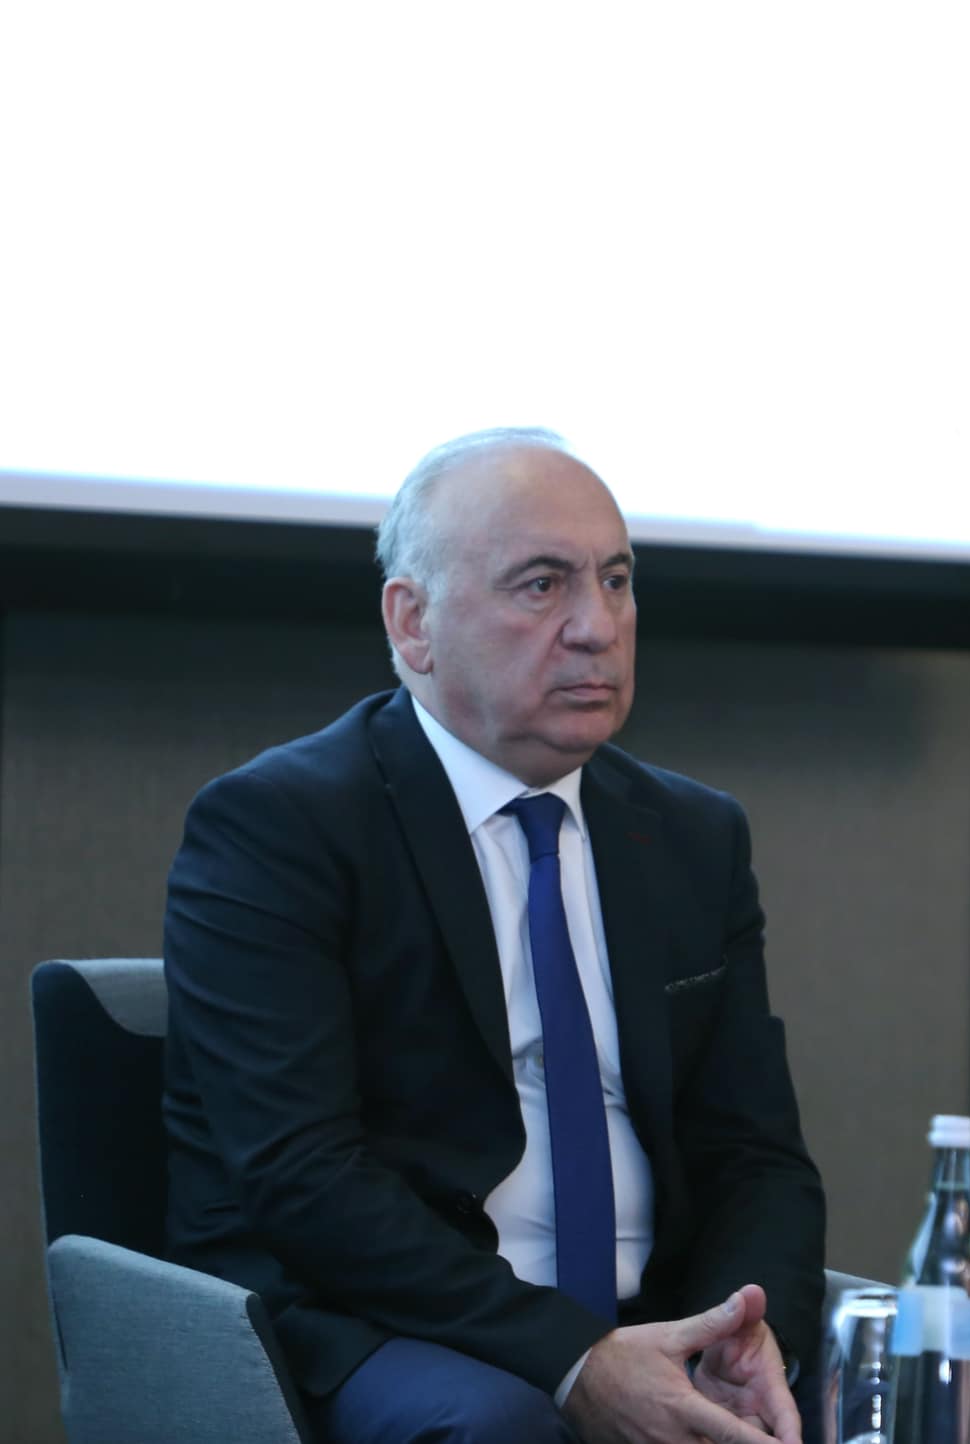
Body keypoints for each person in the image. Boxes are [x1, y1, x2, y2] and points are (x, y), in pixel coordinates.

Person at [161, 428, 826, 1443]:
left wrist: (741, 1332)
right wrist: (574, 1359)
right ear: (413, 622)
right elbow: (303, 1175)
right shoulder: (281, 826)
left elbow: (756, 1154)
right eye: (541, 585)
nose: (595, 627)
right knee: (506, 1424)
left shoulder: (692, 835)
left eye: (615, 580)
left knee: (873, 1392)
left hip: (656, 1318)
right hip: (385, 1321)